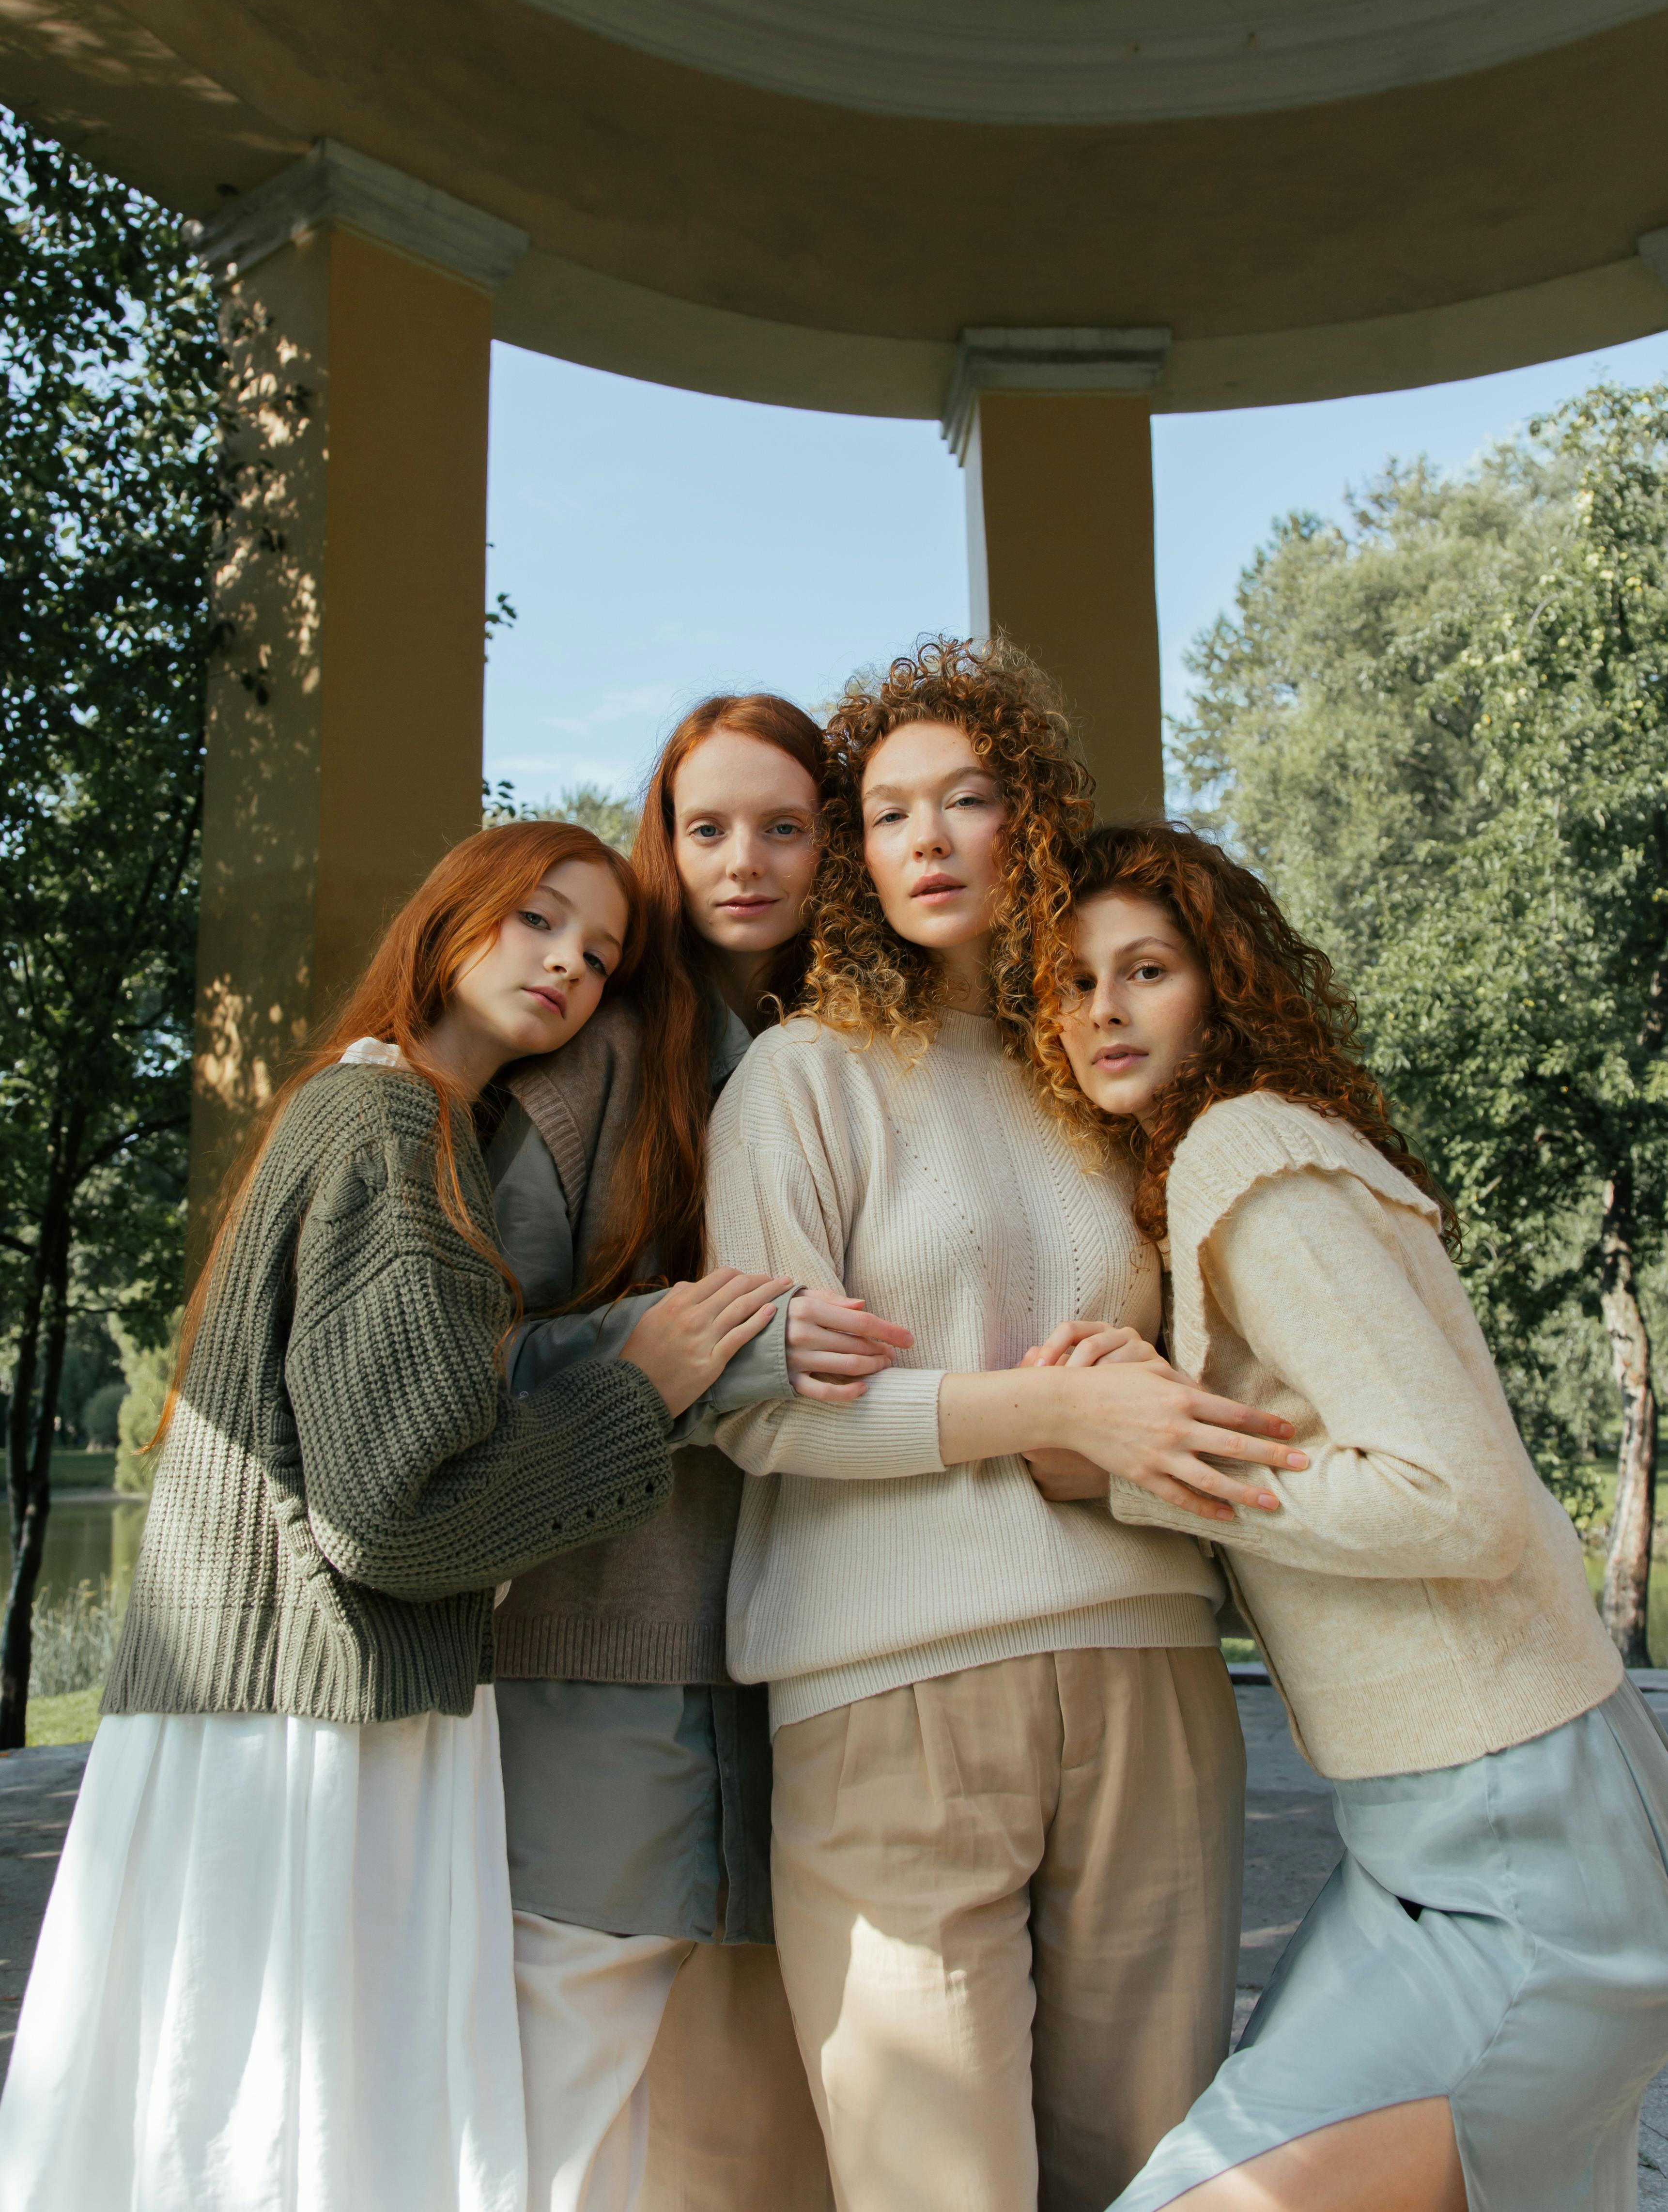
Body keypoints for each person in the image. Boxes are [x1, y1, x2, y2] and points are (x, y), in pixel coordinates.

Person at [0, 819, 736, 2212]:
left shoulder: (377, 1116)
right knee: (306, 2145)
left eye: (600, 953)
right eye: (538, 921)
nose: (568, 965)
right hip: (315, 1727)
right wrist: (638, 1393)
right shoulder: (391, 1124)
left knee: (206, 2125)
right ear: (451, 915)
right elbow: (393, 1521)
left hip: (258, 1706)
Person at [706, 640, 1296, 2212]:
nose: (925, 838)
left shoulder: (1101, 1078)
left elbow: (1222, 1373)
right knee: (933, 2186)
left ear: (1026, 820)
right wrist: (1050, 1404)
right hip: (888, 1693)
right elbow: (763, 1410)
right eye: (885, 810)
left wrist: (1142, 1392)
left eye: (966, 798)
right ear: (852, 852)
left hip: (1148, 1670)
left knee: (1151, 2171)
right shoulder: (802, 1081)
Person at [1033, 820, 1668, 2212]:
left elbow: (1457, 1507)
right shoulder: (1267, 1157)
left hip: (1513, 1852)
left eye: (1144, 970)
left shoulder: (1246, 1157)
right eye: (1071, 984)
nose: (1101, 1012)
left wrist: (1133, 1467)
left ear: (1224, 985)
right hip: (1441, 1840)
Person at [488, 696, 902, 2212]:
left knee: (760, 2132)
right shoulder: (580, 1068)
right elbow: (472, 1362)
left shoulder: (859, 1059)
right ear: (657, 842)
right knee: (566, 2092)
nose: (745, 863)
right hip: (608, 1639)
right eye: (704, 826)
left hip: (817, 1646)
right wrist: (695, 1343)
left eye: (784, 827)